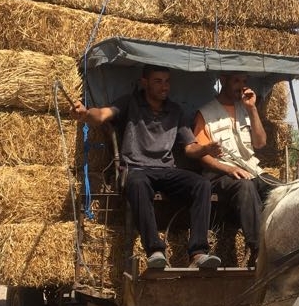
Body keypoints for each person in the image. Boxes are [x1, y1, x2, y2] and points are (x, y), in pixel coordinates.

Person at [73, 65, 222, 269]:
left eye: (167, 81)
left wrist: (206, 149)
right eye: (158, 81)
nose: (164, 87)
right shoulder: (129, 103)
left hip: (166, 170)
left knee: (202, 184)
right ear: (144, 83)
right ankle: (155, 251)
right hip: (136, 169)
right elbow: (100, 115)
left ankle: (198, 253)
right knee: (137, 182)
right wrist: (85, 113)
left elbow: (189, 149)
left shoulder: (175, 110)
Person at [193, 72, 277, 264]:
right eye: (236, 80)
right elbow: (201, 154)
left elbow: (261, 142)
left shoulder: (246, 109)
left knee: (281, 189)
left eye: (245, 81)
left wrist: (253, 109)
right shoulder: (205, 113)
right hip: (218, 174)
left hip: (250, 169)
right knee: (245, 186)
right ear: (223, 81)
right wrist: (228, 170)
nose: (241, 86)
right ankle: (257, 249)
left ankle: (286, 244)